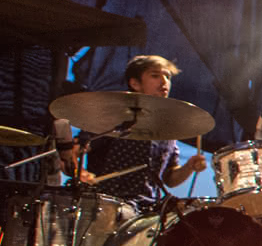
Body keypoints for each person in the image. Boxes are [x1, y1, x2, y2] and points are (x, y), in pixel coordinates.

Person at [79, 55, 208, 208]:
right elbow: (75, 150)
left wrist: (189, 167)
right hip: (106, 204)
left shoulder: (167, 130)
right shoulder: (112, 117)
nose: (164, 81)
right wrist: (80, 173)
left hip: (149, 209)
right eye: (155, 76)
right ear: (135, 83)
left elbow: (169, 179)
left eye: (167, 76)